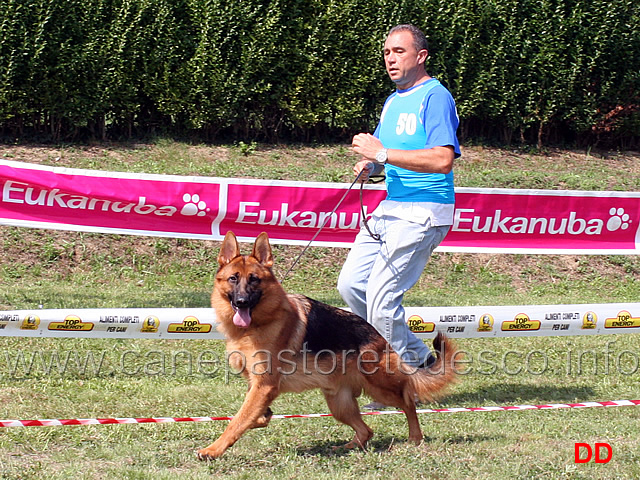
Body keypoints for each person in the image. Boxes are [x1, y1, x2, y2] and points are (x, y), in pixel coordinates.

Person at [337, 24, 460, 377]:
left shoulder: (435, 96)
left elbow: (441, 160)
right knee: (351, 286)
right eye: (388, 52)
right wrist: (370, 166)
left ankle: (395, 377)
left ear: (420, 56)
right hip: (391, 208)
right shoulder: (392, 101)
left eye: (399, 52)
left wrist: (383, 154)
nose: (391, 59)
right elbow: (383, 157)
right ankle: (420, 360)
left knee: (380, 299)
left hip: (424, 209)